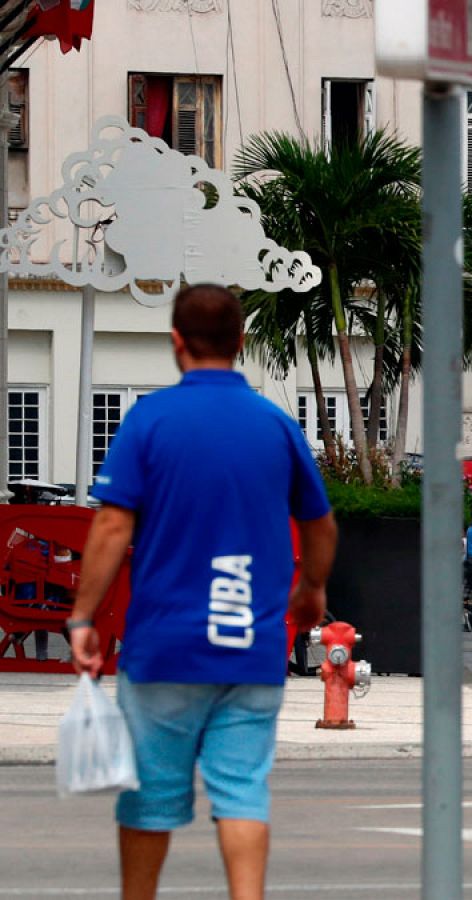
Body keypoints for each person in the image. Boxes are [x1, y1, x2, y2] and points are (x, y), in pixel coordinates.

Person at [66, 284, 337, 900]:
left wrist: (82, 617)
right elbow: (320, 524)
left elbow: (111, 525)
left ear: (176, 342)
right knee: (242, 790)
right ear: (241, 342)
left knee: (150, 796)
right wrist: (311, 589)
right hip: (250, 648)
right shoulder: (275, 424)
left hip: (164, 650)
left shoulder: (149, 420)